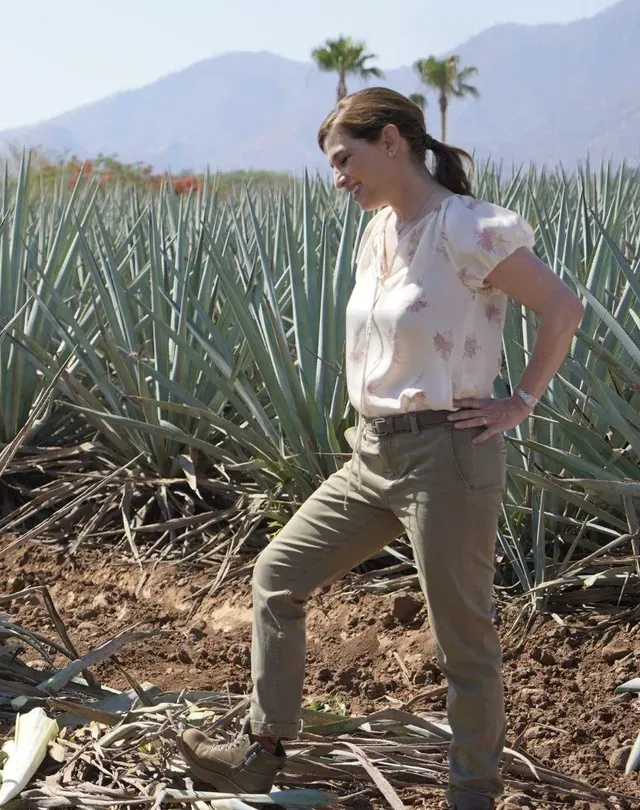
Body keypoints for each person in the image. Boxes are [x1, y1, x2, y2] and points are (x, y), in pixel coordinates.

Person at [178, 87, 585, 810]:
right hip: (370, 456)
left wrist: (519, 401)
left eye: (346, 160)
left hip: (446, 456)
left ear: (392, 142)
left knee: (463, 642)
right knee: (278, 574)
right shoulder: (379, 233)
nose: (339, 179)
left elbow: (563, 307)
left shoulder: (468, 228)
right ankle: (260, 751)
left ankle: (473, 797)